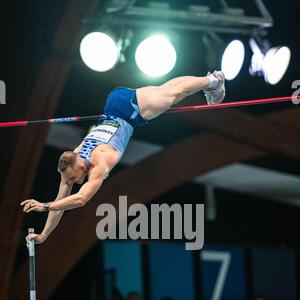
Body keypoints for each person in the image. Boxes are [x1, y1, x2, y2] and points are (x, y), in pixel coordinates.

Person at [22, 72, 226, 244]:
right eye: (73, 179)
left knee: (174, 92)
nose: (75, 181)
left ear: (81, 164)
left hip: (130, 112)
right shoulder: (69, 166)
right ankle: (208, 82)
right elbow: (61, 203)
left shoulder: (99, 162)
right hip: (115, 103)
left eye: (77, 176)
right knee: (169, 88)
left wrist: (44, 205)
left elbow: (81, 199)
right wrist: (44, 235)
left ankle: (214, 80)